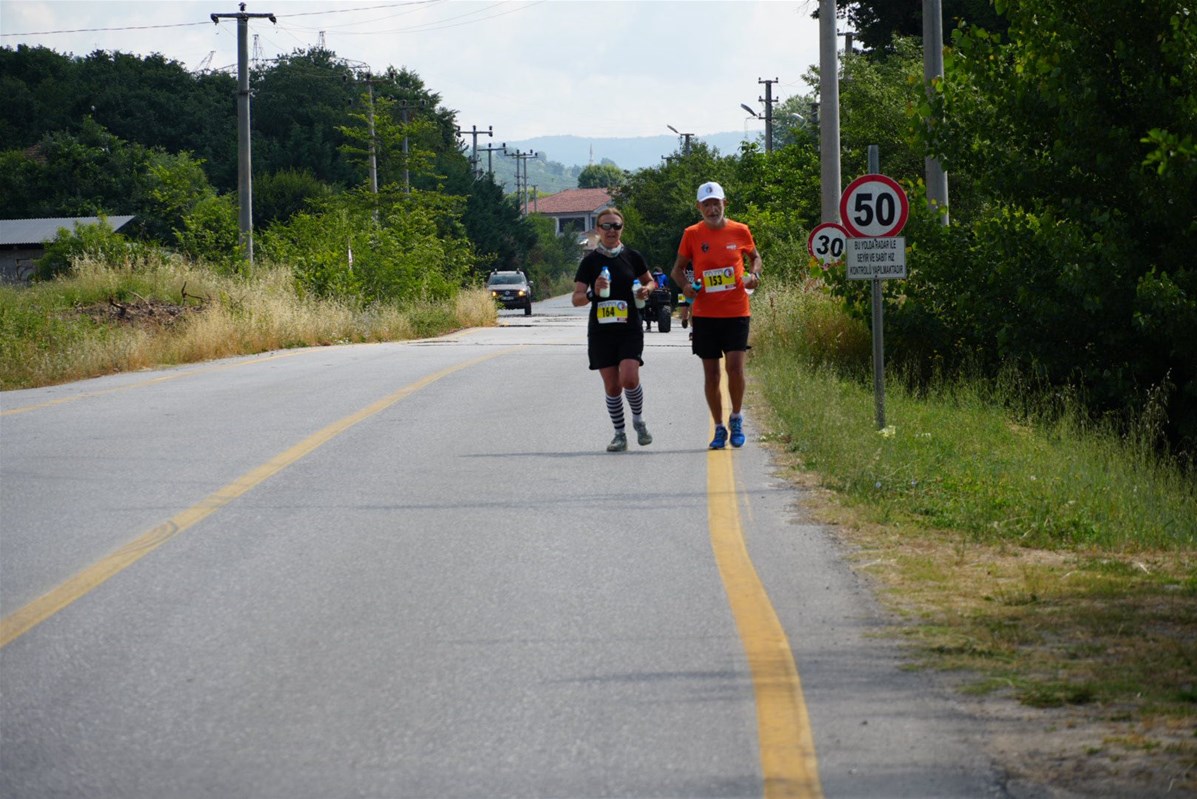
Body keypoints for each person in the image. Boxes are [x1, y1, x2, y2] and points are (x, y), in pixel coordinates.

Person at [670, 181, 762, 449]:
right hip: (705, 314)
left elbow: (755, 257)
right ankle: (719, 427)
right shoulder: (692, 234)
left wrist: (754, 275)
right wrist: (686, 287)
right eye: (707, 205)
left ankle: (736, 418)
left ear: (725, 204)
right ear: (699, 207)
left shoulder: (740, 230)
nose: (712, 209)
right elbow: (677, 269)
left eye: (716, 204)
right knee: (711, 375)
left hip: (736, 311)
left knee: (735, 369)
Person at [573, 208, 656, 452]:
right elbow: (576, 299)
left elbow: (650, 280)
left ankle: (639, 421)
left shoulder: (633, 256)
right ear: (598, 230)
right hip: (601, 331)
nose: (611, 231)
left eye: (616, 226)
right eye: (606, 226)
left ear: (622, 228)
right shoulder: (590, 262)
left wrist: (647, 290)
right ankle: (619, 434)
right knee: (612, 386)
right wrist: (593, 293)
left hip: (629, 327)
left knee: (629, 378)